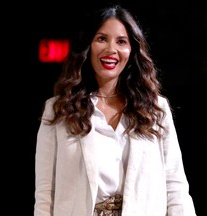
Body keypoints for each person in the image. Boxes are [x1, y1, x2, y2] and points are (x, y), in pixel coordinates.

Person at [34, 4, 197, 216]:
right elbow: (46, 194)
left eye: (121, 41)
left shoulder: (156, 110)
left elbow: (175, 188)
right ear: (88, 46)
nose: (111, 49)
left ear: (132, 51)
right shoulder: (59, 110)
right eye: (102, 39)